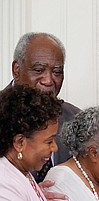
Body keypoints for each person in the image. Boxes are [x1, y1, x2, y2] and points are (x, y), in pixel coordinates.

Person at [8, 32, 81, 181]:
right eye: (38, 70)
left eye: (56, 72)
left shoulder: (75, 118)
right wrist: (33, 194)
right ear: (17, 69)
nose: (48, 80)